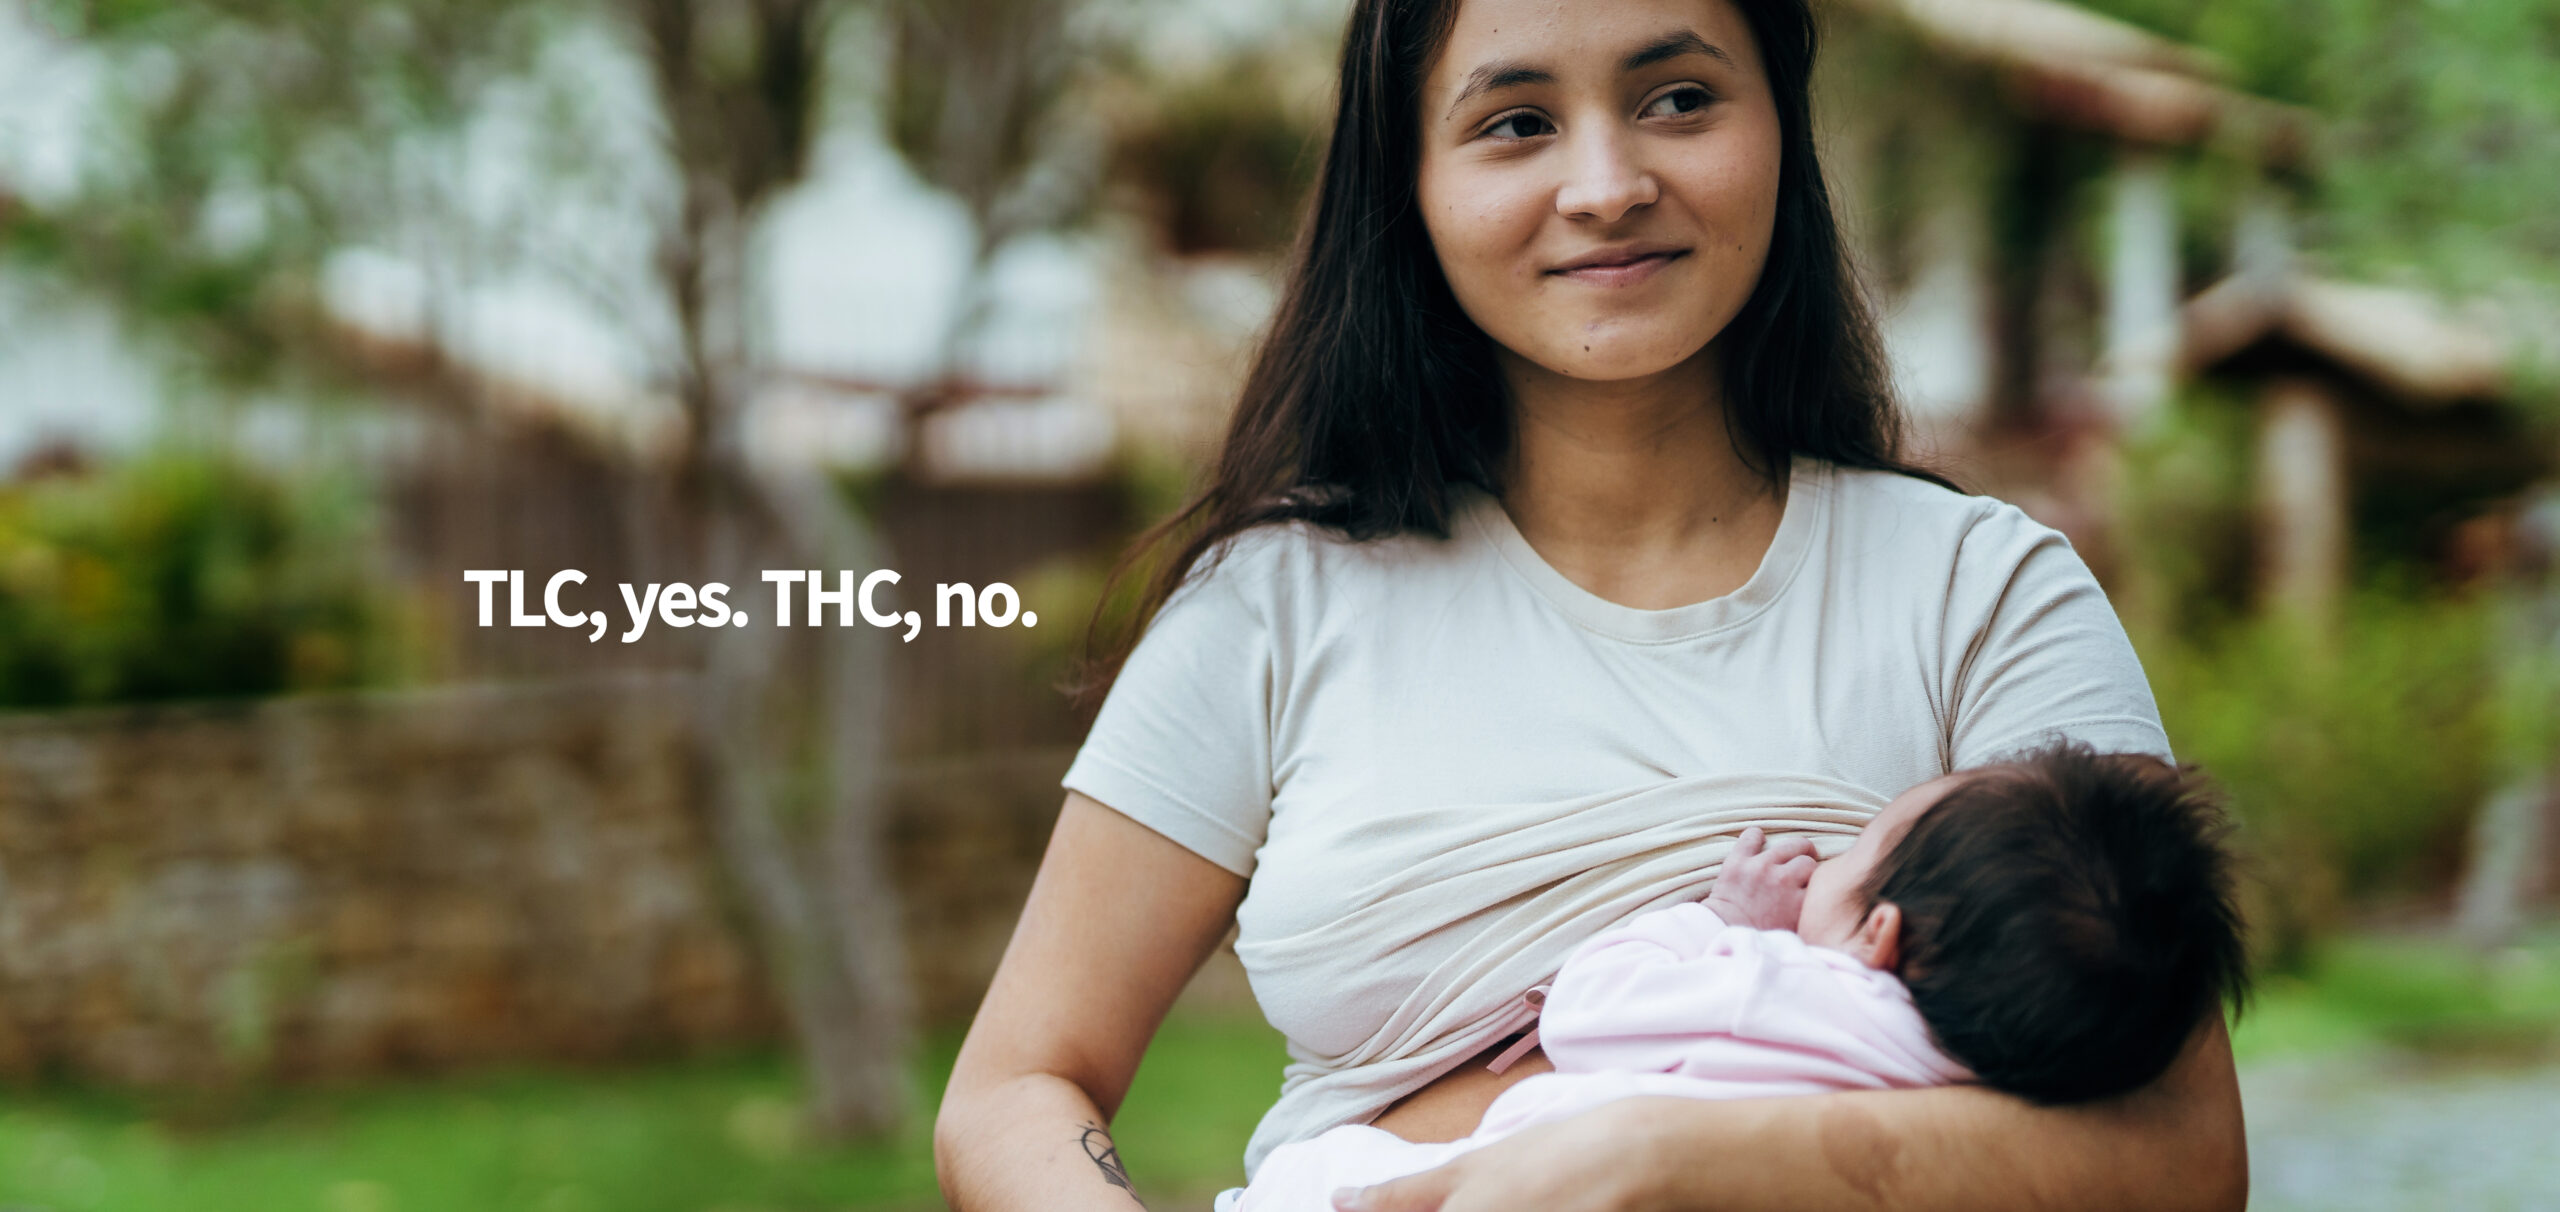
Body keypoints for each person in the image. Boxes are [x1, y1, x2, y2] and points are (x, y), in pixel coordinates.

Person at [932, 0, 2251, 1208]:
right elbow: (1017, 1087)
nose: (1608, 188)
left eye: (1679, 99)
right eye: (1515, 124)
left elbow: (2181, 1157)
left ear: (1782, 127)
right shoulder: (1266, 614)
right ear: (1415, 184)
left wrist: (1673, 1160)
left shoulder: (1979, 595)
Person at [1229, 744, 2253, 1210]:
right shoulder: (1977, 1082)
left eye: (1856, 849)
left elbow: (1591, 1014)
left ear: (1875, 936)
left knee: (1316, 1182)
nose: (1829, 857)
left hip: (1493, 1185)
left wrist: (1722, 925)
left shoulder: (1772, 988)